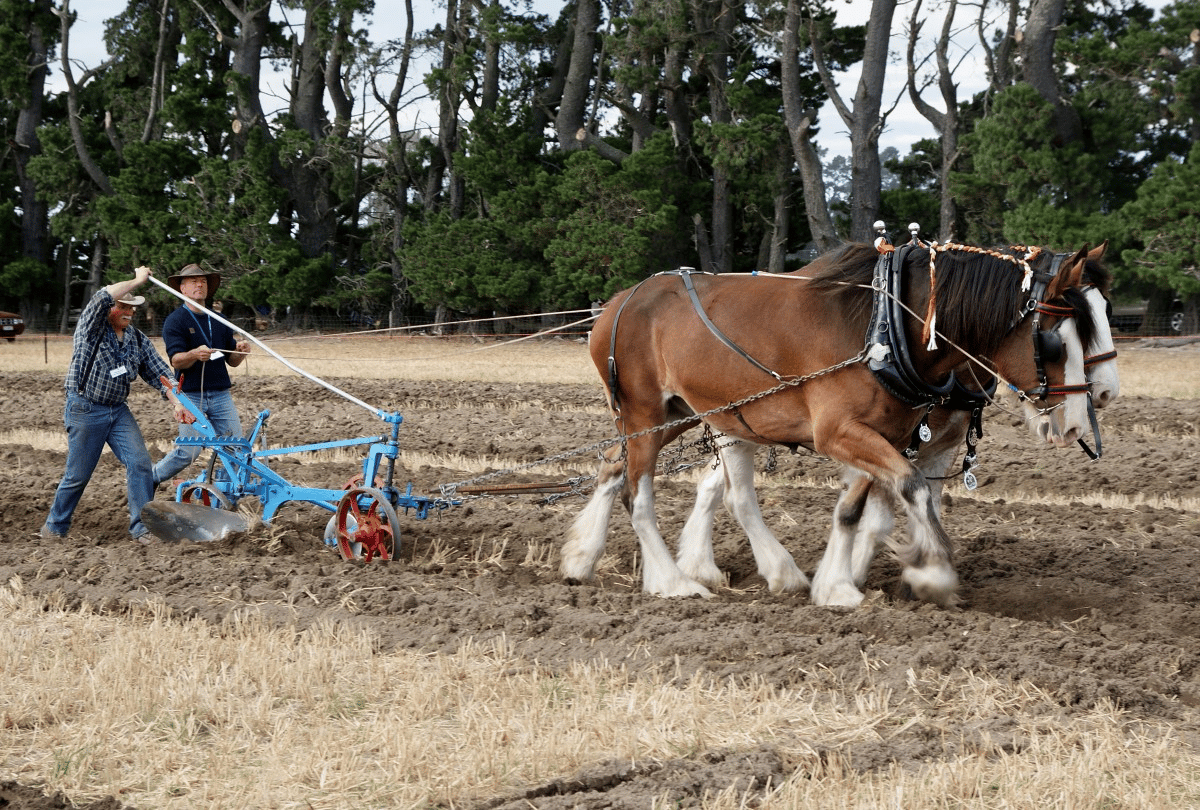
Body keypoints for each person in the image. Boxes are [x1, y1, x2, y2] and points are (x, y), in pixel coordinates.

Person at [41, 266, 185, 544]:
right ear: (110, 309)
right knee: (78, 475)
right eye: (122, 306)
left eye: (132, 308)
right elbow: (100, 297)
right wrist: (137, 280)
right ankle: (55, 528)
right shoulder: (91, 328)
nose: (129, 312)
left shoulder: (136, 339)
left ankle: (142, 528)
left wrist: (176, 401)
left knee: (141, 463)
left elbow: (160, 373)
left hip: (117, 411)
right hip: (85, 408)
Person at [152, 263, 251, 486]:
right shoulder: (175, 320)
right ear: (182, 289)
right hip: (190, 395)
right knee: (189, 451)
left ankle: (225, 492)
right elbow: (176, 360)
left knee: (236, 447)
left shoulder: (219, 319)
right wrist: (195, 354)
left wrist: (240, 353)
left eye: (203, 281)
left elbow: (232, 362)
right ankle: (151, 478)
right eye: (194, 281)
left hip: (221, 395)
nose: (200, 284)